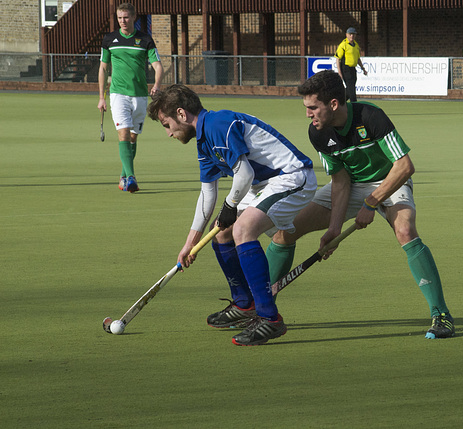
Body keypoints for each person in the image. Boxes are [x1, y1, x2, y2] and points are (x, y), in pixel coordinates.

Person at [265, 70, 455, 339]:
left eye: (312, 108)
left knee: (405, 231)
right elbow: (341, 182)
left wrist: (371, 203)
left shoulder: (370, 116)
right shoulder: (318, 133)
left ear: (333, 104)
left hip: (389, 181)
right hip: (352, 185)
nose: (308, 114)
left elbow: (404, 166)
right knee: (286, 231)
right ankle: (261, 308)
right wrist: (333, 230)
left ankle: (442, 315)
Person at [147, 84, 317, 346]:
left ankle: (270, 319)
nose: (168, 133)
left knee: (241, 229)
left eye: (166, 124)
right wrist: (189, 243)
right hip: (264, 184)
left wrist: (230, 205)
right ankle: (244, 304)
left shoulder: (218, 124)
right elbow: (207, 195)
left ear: (181, 114)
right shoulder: (204, 140)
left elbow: (245, 174)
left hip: (292, 177)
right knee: (223, 232)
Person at [98, 2, 164, 193]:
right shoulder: (109, 39)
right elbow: (103, 68)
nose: (123, 21)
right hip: (118, 95)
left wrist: (157, 86)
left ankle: (123, 177)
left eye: (126, 17)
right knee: (123, 134)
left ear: (134, 18)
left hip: (140, 96)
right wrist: (101, 97)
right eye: (120, 18)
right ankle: (132, 177)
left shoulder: (145, 39)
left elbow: (158, 66)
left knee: (133, 138)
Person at [334, 27, 368, 102]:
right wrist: (339, 72)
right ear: (346, 35)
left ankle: (339, 101)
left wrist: (363, 69)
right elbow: (337, 59)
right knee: (351, 88)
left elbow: (358, 59)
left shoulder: (356, 45)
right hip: (346, 68)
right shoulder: (343, 45)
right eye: (350, 34)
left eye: (353, 34)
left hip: (353, 69)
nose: (351, 36)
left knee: (350, 88)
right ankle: (354, 104)